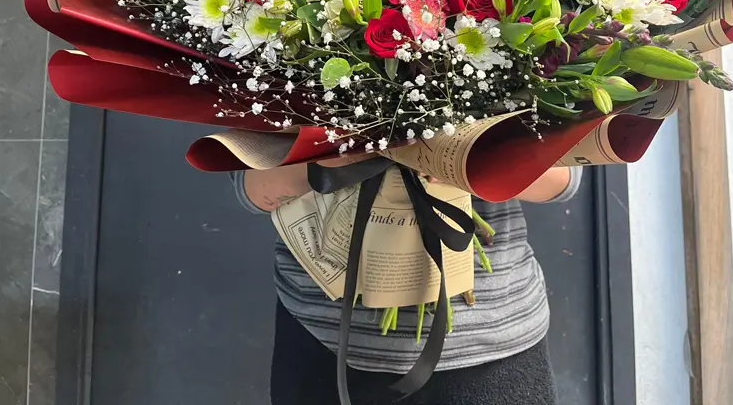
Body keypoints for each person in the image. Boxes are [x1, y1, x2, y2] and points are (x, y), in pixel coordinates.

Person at [233, 160, 582, 405]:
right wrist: (344, 152)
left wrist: (463, 155)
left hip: (495, 347)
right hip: (325, 340)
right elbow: (250, 188)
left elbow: (565, 178)